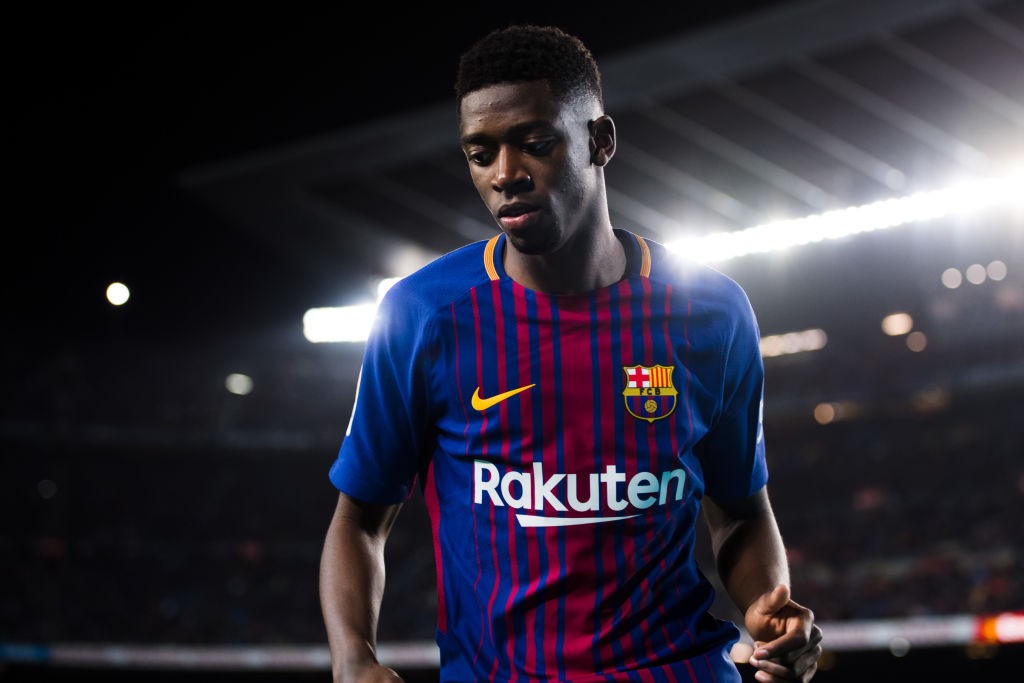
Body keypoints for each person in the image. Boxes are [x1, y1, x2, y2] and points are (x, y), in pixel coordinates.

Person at [319, 24, 823, 683]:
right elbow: (359, 520)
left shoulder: (712, 310)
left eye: (535, 143)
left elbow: (741, 509)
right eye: (480, 154)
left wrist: (766, 606)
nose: (505, 175)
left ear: (599, 141)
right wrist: (353, 657)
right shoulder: (423, 314)